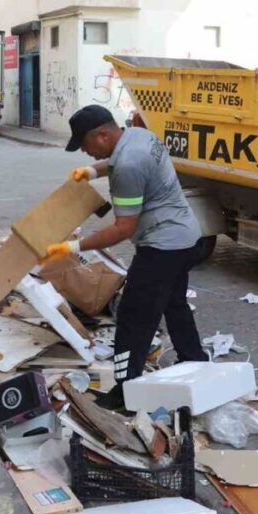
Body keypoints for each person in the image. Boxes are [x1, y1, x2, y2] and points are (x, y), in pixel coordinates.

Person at [48, 104, 207, 409]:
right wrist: (94, 171)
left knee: (133, 319)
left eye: (85, 145)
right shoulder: (137, 134)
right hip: (186, 237)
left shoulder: (128, 168)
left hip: (162, 247)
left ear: (102, 135)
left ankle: (125, 391)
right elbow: (118, 159)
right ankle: (195, 360)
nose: (85, 152)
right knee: (174, 304)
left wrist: (74, 247)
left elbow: (123, 228)